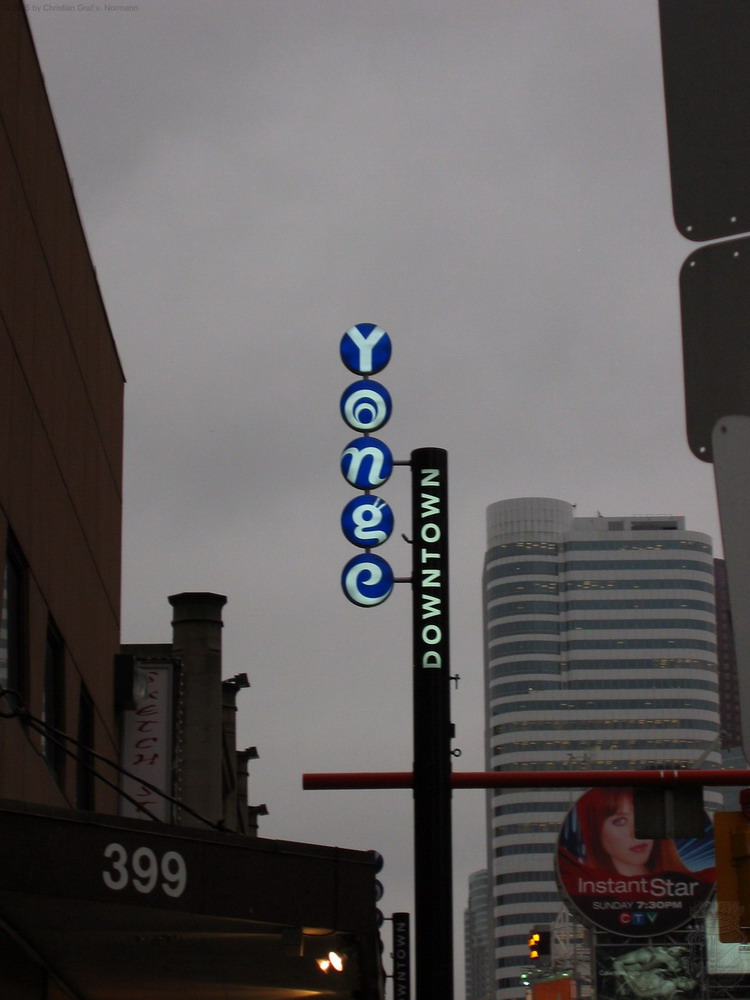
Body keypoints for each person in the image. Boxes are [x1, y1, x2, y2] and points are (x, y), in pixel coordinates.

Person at [575, 787, 690, 877]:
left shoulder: (688, 886)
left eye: (643, 815)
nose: (636, 831)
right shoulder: (588, 893)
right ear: (595, 832)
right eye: (620, 821)